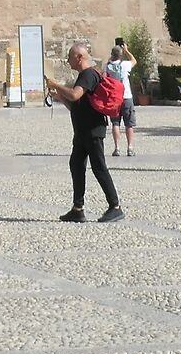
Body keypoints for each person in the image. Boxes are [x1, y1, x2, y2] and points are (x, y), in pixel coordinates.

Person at [43, 42, 123, 223]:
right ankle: (77, 209)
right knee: (76, 165)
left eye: (70, 57)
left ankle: (115, 206)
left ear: (79, 57)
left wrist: (57, 84)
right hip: (83, 130)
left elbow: (74, 95)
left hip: (93, 130)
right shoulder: (85, 75)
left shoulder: (88, 74)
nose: (67, 61)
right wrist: (59, 95)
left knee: (99, 167)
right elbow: (75, 105)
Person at [103, 41, 138, 159]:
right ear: (121, 54)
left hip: (114, 97)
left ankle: (117, 148)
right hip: (126, 96)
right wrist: (127, 50)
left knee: (115, 123)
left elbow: (103, 77)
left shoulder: (107, 65)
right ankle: (130, 148)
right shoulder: (125, 64)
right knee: (129, 124)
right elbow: (134, 60)